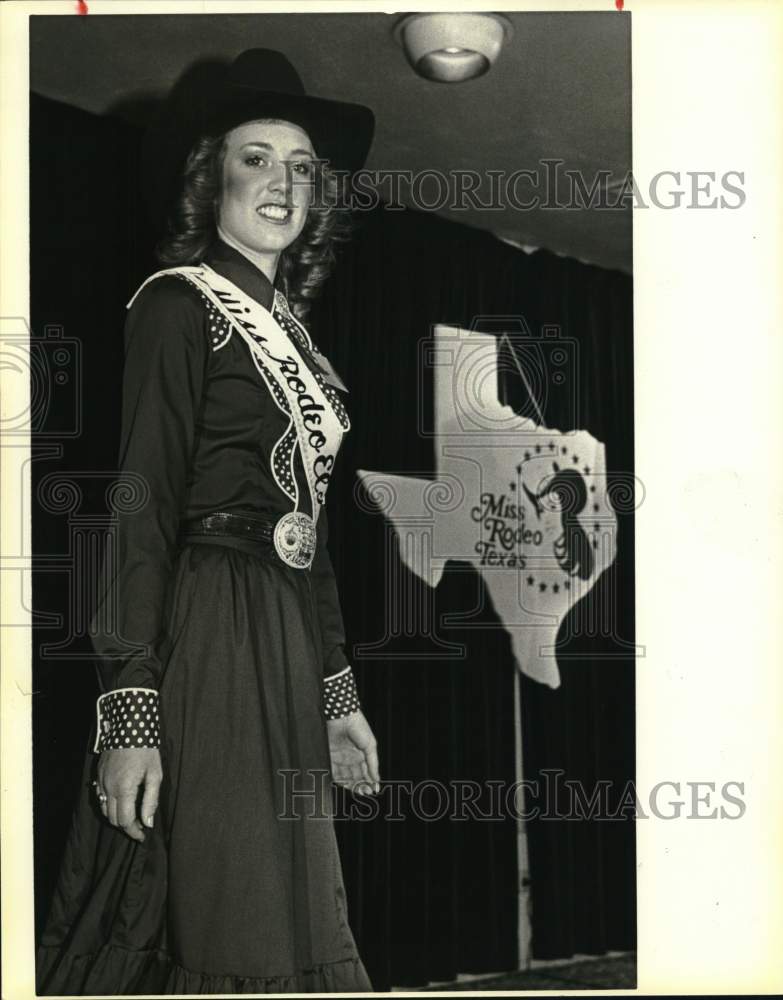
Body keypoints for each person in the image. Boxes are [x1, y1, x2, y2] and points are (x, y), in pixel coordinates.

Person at [36, 49, 379, 995]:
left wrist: (337, 697)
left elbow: (307, 539)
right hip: (208, 628)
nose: (282, 181)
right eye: (256, 157)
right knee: (228, 907)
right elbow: (138, 504)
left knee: (291, 896)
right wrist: (130, 710)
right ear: (210, 181)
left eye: (301, 165)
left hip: (280, 631)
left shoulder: (299, 342)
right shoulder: (179, 304)